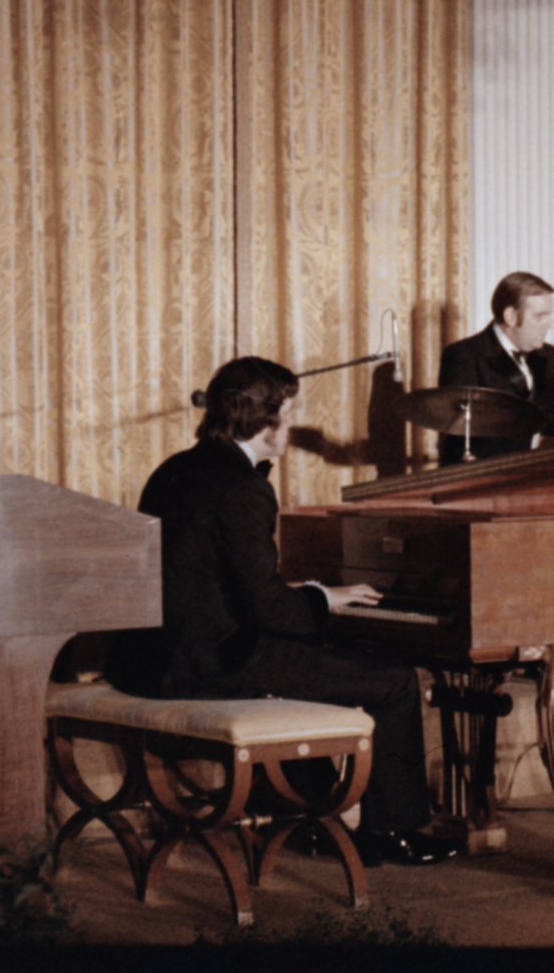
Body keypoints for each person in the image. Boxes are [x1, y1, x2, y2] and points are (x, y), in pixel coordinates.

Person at [112, 357, 459, 866]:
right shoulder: (245, 487)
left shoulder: (175, 470)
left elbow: (209, 579)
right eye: (289, 415)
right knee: (395, 681)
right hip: (211, 664)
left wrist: (308, 597)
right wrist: (323, 598)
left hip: (152, 656)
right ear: (263, 422)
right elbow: (265, 605)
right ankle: (394, 830)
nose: (291, 427)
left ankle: (312, 820)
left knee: (312, 654)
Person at [437, 270, 554, 464]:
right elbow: (462, 437)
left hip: (540, 478)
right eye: (540, 316)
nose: (548, 325)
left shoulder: (550, 357)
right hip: (482, 481)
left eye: (548, 316)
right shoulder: (463, 355)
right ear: (511, 317)